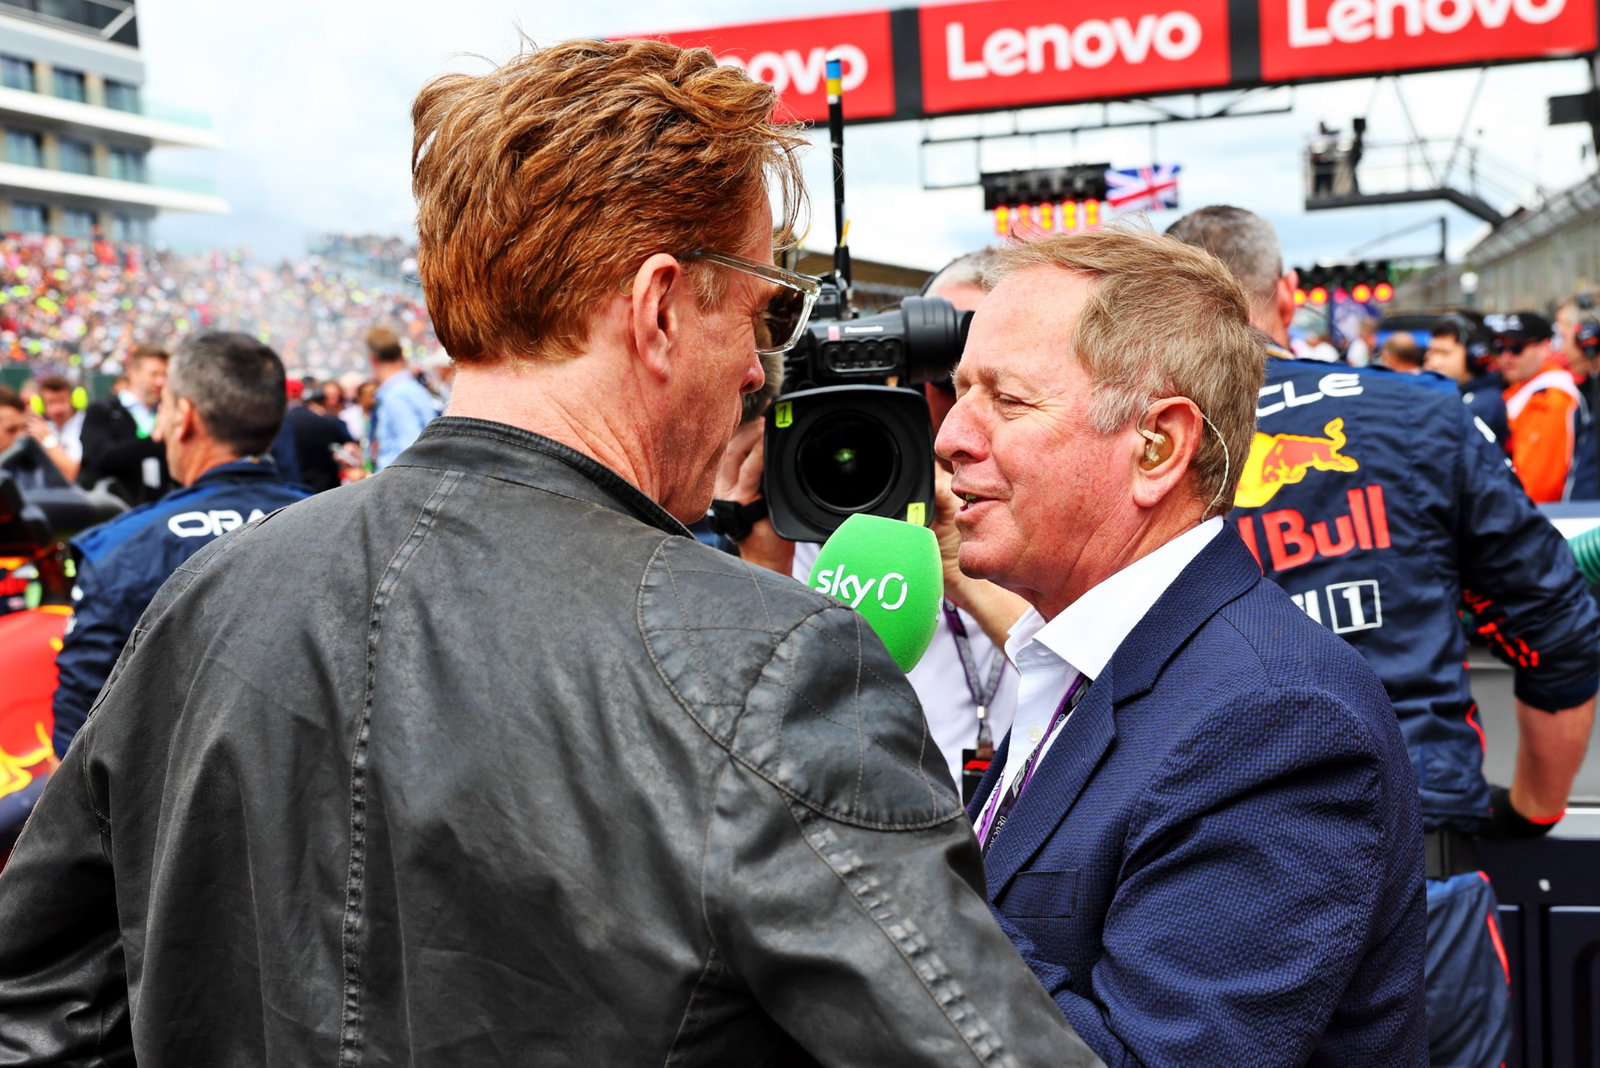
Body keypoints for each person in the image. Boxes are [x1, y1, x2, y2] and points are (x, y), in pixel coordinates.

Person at [0, 40, 1102, 1066]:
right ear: (659, 309)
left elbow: (38, 1006)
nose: (759, 373)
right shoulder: (771, 665)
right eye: (763, 317)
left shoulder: (209, 597)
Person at [941, 227, 1426, 1065]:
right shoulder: (1085, 659)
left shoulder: (1277, 721)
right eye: (957, 393)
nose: (951, 435)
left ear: (1159, 446)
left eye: (1007, 401)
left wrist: (898, 853)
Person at [1168, 204, 1600, 1068]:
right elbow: (1558, 630)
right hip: (1417, 884)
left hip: (1208, 902)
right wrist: (1532, 809)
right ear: (1288, 293)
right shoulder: (1421, 414)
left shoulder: (1138, 444)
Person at [716, 247, 1028, 790]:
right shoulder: (804, 518)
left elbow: (1090, 683)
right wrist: (761, 566)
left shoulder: (1052, 513)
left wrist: (959, 571)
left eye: (1000, 393)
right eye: (945, 382)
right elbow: (760, 740)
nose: (960, 420)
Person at [48, 331, 309, 758]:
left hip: (167, 789)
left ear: (183, 417)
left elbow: (77, 725)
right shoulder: (344, 523)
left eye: (165, 407)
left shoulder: (119, 546)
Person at [1490, 310, 1596, 502]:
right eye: (1499, 347)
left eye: (1516, 348)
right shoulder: (1519, 387)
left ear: (1544, 347)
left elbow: (1536, 488)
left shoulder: (1551, 397)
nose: (1506, 356)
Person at [76, 342, 172, 505]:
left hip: (161, 508)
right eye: (154, 374)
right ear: (133, 373)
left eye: (165, 375)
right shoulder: (103, 411)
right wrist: (152, 441)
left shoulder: (168, 413)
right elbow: (98, 459)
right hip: (117, 510)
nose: (160, 382)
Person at [1425, 311, 1510, 447]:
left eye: (1444, 353)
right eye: (1432, 351)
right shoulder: (1453, 396)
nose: (1434, 362)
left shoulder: (1485, 404)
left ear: (1475, 357)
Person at [367, 324, 437, 470]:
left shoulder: (396, 395)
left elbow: (411, 452)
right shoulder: (412, 389)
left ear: (373, 358)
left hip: (397, 480)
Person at [24, 374, 84, 481]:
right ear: (41, 405)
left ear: (75, 400)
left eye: (62, 401)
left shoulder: (86, 425)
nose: (58, 409)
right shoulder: (48, 427)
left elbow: (74, 473)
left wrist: (46, 438)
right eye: (51, 402)